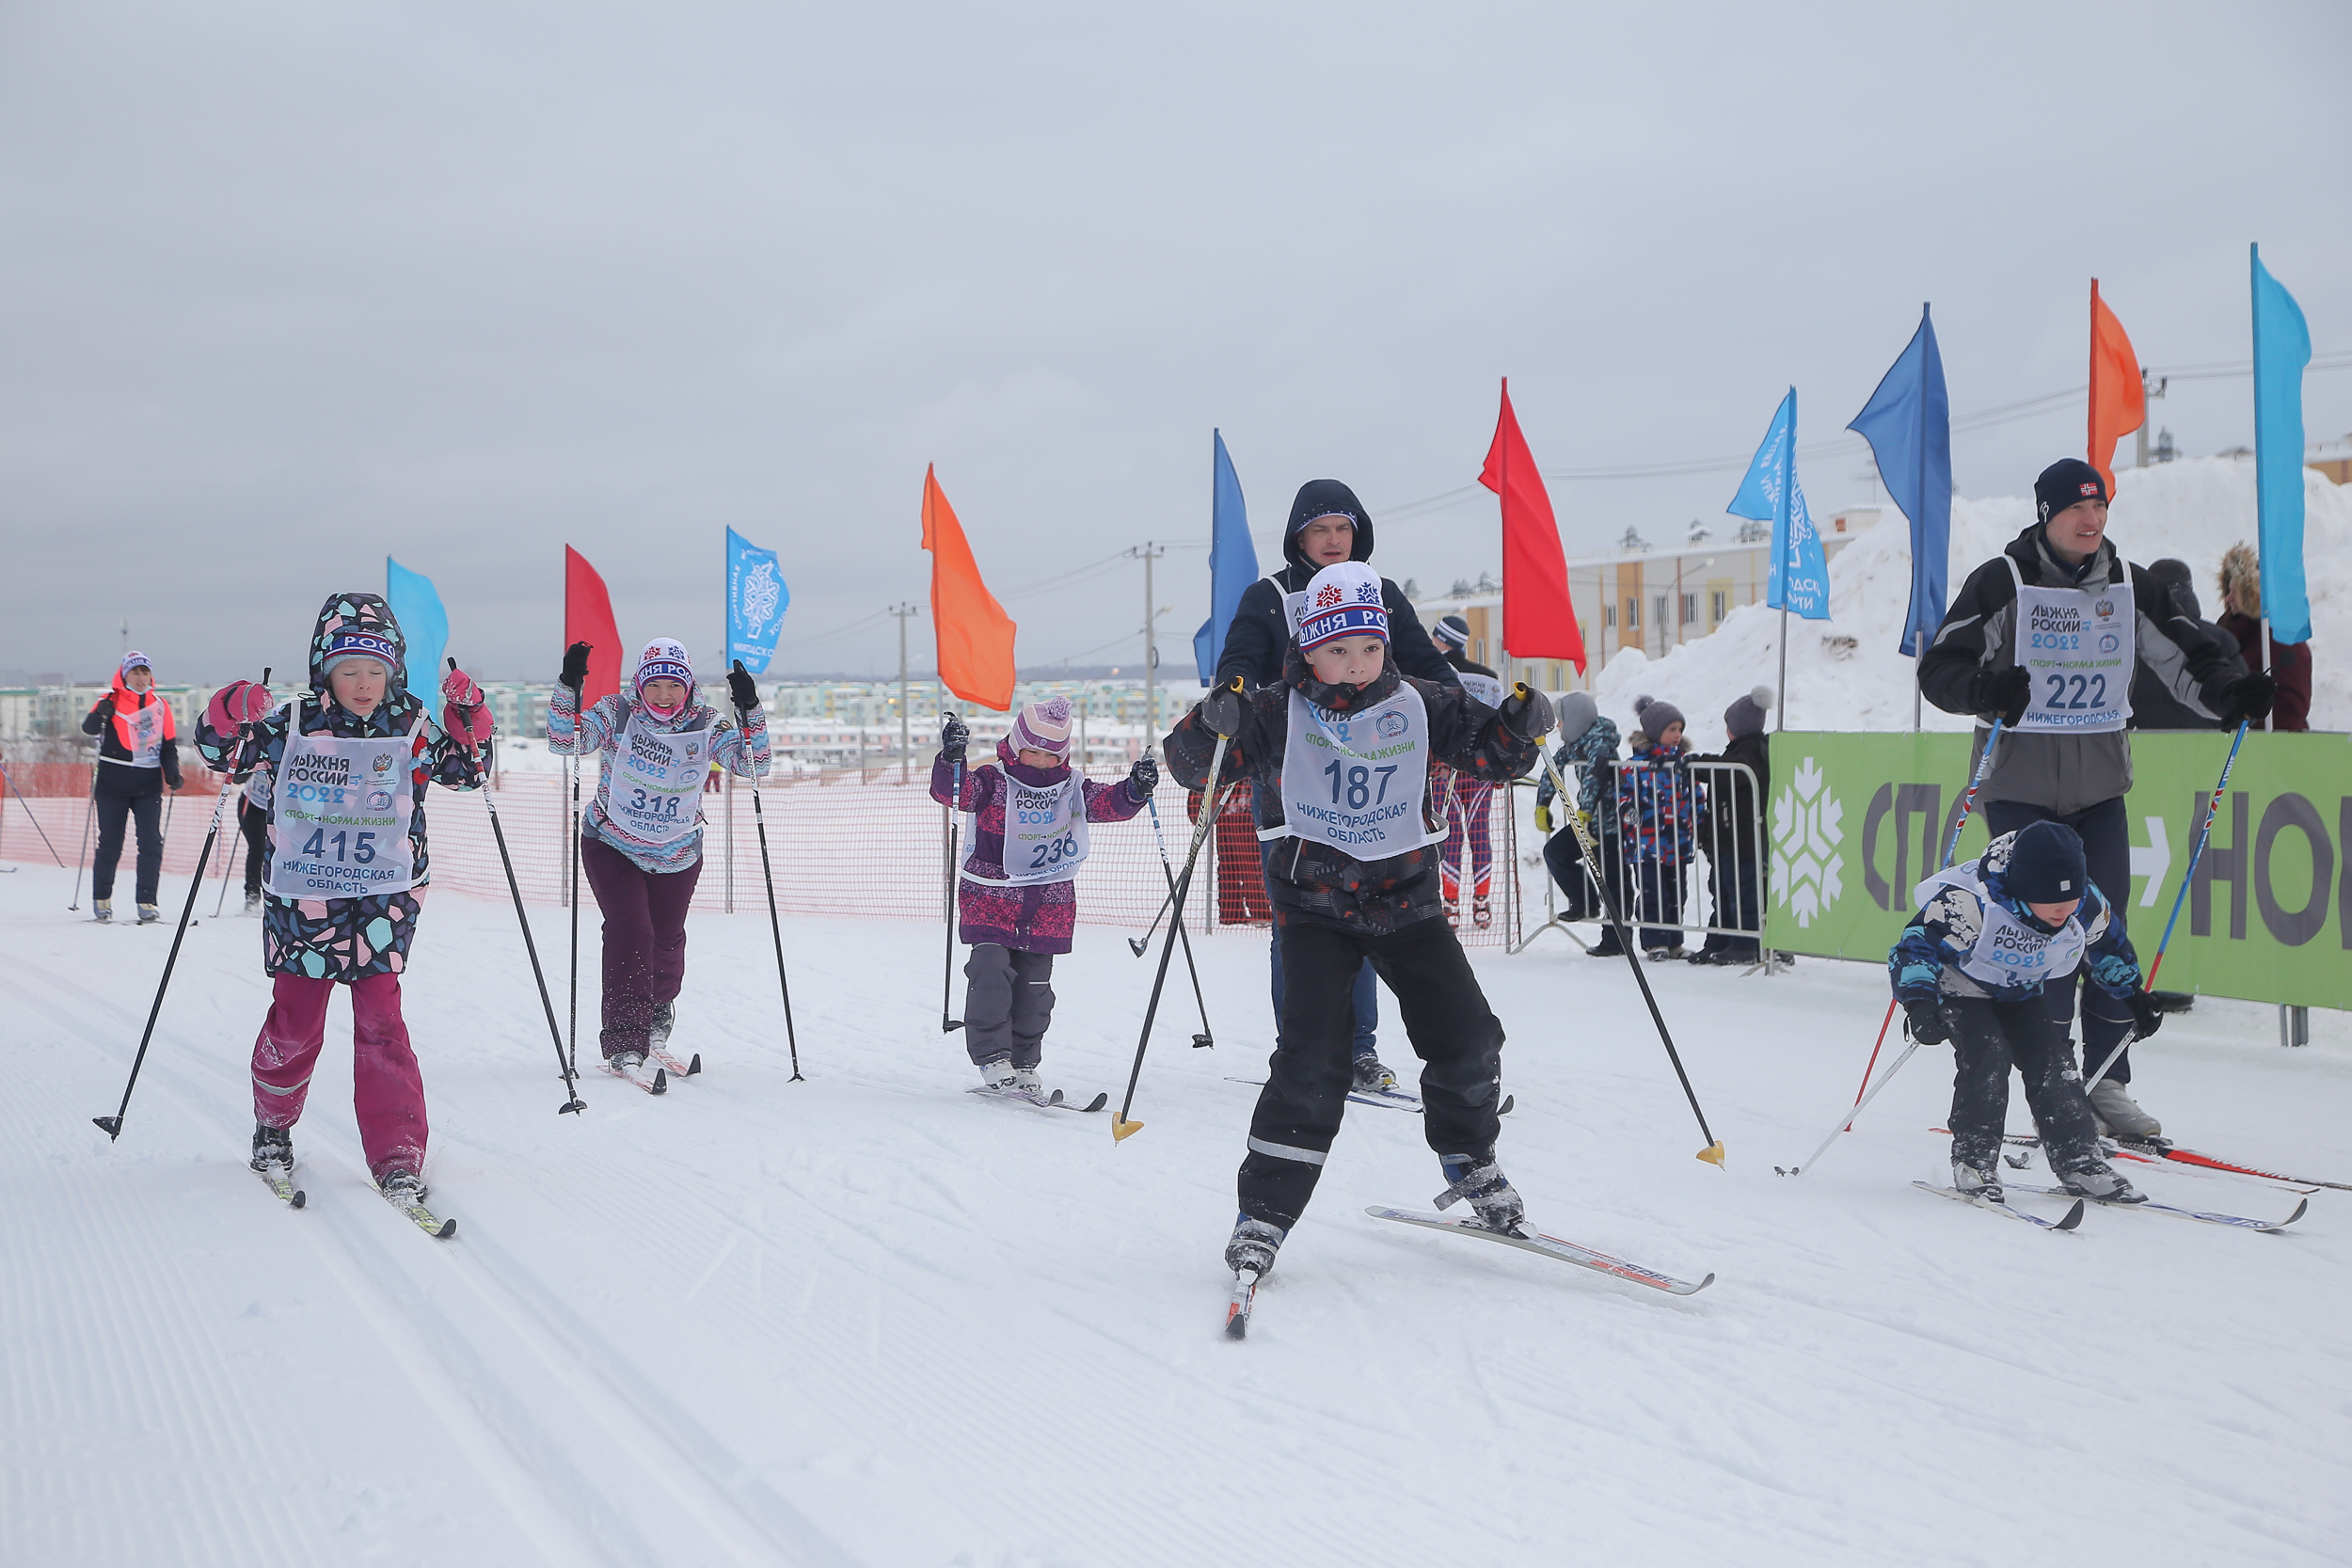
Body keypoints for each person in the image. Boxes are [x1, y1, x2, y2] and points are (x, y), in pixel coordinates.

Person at [1165, 561, 1553, 1278]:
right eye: (1338, 650)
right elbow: (1193, 765)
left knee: (1470, 1038)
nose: (1356, 664)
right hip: (1314, 912)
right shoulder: (1278, 708)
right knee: (1314, 1060)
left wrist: (1520, 726)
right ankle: (1264, 1215)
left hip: (1408, 903)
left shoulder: (1420, 700)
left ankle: (1471, 1161)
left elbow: (1490, 755)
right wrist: (1208, 721)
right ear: (1308, 648)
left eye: (1370, 647)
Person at [1917, 458, 2271, 1140]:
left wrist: (2230, 693)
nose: (2092, 520)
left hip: (2099, 790)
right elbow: (1941, 667)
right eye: (2077, 509)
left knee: (2104, 930)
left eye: (2100, 507)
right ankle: (2052, 1084)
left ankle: (2107, 1079)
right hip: (2018, 792)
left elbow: (2188, 654)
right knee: (2040, 935)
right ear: (2047, 515)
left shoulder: (2130, 586)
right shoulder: (2004, 581)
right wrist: (1987, 692)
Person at [194, 593, 492, 1204]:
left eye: (375, 671)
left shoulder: (410, 722)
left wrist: (470, 713)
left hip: (381, 908)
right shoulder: (293, 724)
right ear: (325, 669)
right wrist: (233, 708)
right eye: (349, 669)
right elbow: (218, 752)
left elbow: (469, 767)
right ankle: (273, 1126)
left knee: (383, 1026)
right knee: (296, 1023)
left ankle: (398, 1156)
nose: (363, 683)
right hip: (304, 906)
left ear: (394, 672)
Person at [1215, 480, 1457, 1093]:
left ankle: (1358, 1052)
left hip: (1371, 791)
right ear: (1299, 536)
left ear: (1357, 534)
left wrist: (1475, 710)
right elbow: (1238, 666)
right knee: (1301, 927)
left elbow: (1426, 669)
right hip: (1293, 795)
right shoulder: (1269, 596)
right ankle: (1307, 1050)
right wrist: (1232, 706)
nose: (1331, 539)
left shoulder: (1381, 594)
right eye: (1319, 529)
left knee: (1371, 919)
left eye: (1341, 528)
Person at [1890, 821, 2159, 1205]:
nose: (2064, 909)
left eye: (2071, 899)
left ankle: (2079, 1160)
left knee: (2054, 1061)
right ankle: (1975, 1160)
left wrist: (2132, 995)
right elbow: (1915, 948)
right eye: (2050, 900)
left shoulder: (2083, 902)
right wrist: (1919, 1003)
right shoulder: (1971, 901)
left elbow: (2109, 945)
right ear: (2024, 886)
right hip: (1959, 986)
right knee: (1988, 1055)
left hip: (2019, 991)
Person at [549, 638, 771, 1080]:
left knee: (666, 940)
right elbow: (564, 741)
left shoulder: (707, 723)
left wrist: (750, 709)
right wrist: (568, 686)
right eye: (655, 685)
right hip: (612, 842)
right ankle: (624, 1039)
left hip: (677, 852)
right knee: (631, 929)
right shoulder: (617, 713)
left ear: (687, 685)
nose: (664, 696)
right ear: (640, 684)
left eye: (674, 685)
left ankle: (655, 1013)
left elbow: (754, 763)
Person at [931, 696, 1154, 1098]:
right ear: (1017, 746)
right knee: (990, 970)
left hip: (1047, 904)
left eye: (1050, 755)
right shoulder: (993, 780)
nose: (1039, 761)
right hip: (991, 898)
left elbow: (1107, 805)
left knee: (1035, 987)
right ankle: (993, 1057)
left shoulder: (1072, 788)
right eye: (1032, 751)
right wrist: (951, 759)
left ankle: (1024, 1061)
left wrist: (1135, 789)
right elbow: (956, 794)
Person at [81, 651, 183, 923]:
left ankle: (147, 902)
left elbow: (169, 746)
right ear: (124, 674)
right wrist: (100, 713)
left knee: (151, 843)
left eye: (144, 672)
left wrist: (172, 773)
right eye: (135, 672)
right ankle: (102, 899)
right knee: (111, 844)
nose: (140, 678)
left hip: (148, 784)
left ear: (151, 676)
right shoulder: (110, 700)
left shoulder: (160, 706)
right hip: (112, 784)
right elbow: (89, 729)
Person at [1428, 613, 1508, 929]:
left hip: (1443, 767)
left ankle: (1450, 904)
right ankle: (1481, 902)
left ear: (1441, 639)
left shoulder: (1434, 673)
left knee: (1450, 834)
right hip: (1480, 770)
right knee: (1479, 832)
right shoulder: (1489, 677)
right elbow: (1500, 724)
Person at [1532, 691, 1625, 951]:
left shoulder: (1600, 743)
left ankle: (1616, 939)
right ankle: (1584, 902)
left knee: (1613, 880)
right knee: (1555, 852)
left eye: (1560, 720)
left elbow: (1596, 775)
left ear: (1574, 719)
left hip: (1610, 824)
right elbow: (1553, 766)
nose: (1559, 726)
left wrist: (1585, 809)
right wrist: (1542, 804)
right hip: (1590, 823)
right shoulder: (1577, 742)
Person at [1689, 686, 1772, 965]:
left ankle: (1747, 943)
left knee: (1743, 892)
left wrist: (1697, 766)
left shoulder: (1751, 753)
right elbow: (1725, 764)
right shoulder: (1743, 750)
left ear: (1737, 728)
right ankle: (1720, 939)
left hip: (1743, 840)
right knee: (1723, 890)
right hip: (1729, 838)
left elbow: (1729, 772)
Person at [2126, 560, 2246, 731]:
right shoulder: (2221, 638)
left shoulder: (2129, 641)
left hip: (2140, 748)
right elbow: (2245, 705)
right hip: (2212, 749)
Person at [1620, 695, 1696, 958]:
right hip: (1647, 844)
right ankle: (1655, 942)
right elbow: (1624, 799)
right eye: (1671, 730)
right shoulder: (1637, 767)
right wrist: (1636, 820)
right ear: (1655, 732)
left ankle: (1675, 942)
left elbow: (1695, 795)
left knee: (1677, 893)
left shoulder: (1682, 763)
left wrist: (1696, 821)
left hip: (1676, 842)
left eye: (1680, 730)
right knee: (1653, 893)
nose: (1677, 735)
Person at [2216, 543, 2312, 733]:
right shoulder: (2230, 629)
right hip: (2238, 743)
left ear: (2252, 595)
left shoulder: (2281, 639)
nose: (2228, 598)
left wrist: (2245, 716)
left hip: (2275, 750)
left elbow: (2292, 710)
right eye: (2228, 590)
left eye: (2235, 591)